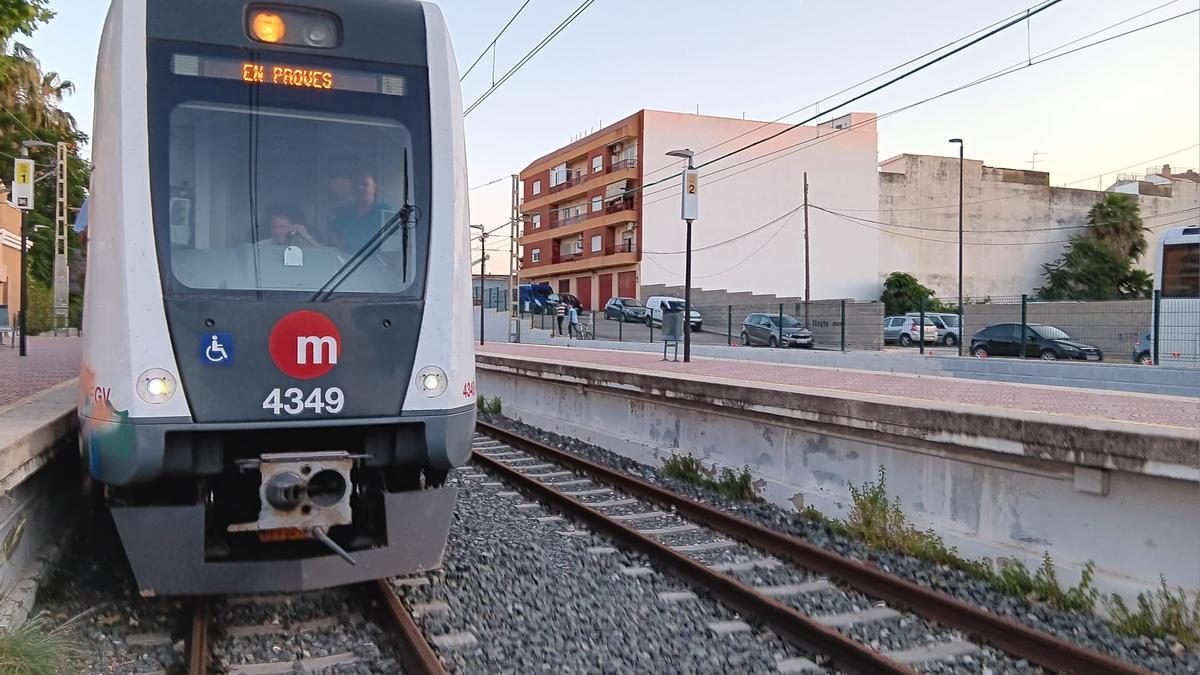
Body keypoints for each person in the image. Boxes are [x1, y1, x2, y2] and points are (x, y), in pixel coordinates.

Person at [328, 168, 393, 252]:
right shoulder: (346, 212)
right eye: (356, 184)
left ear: (374, 188)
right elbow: (331, 232)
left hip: (377, 262)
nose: (359, 188)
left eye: (364, 184)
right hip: (347, 262)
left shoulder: (385, 211)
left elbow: (392, 244)